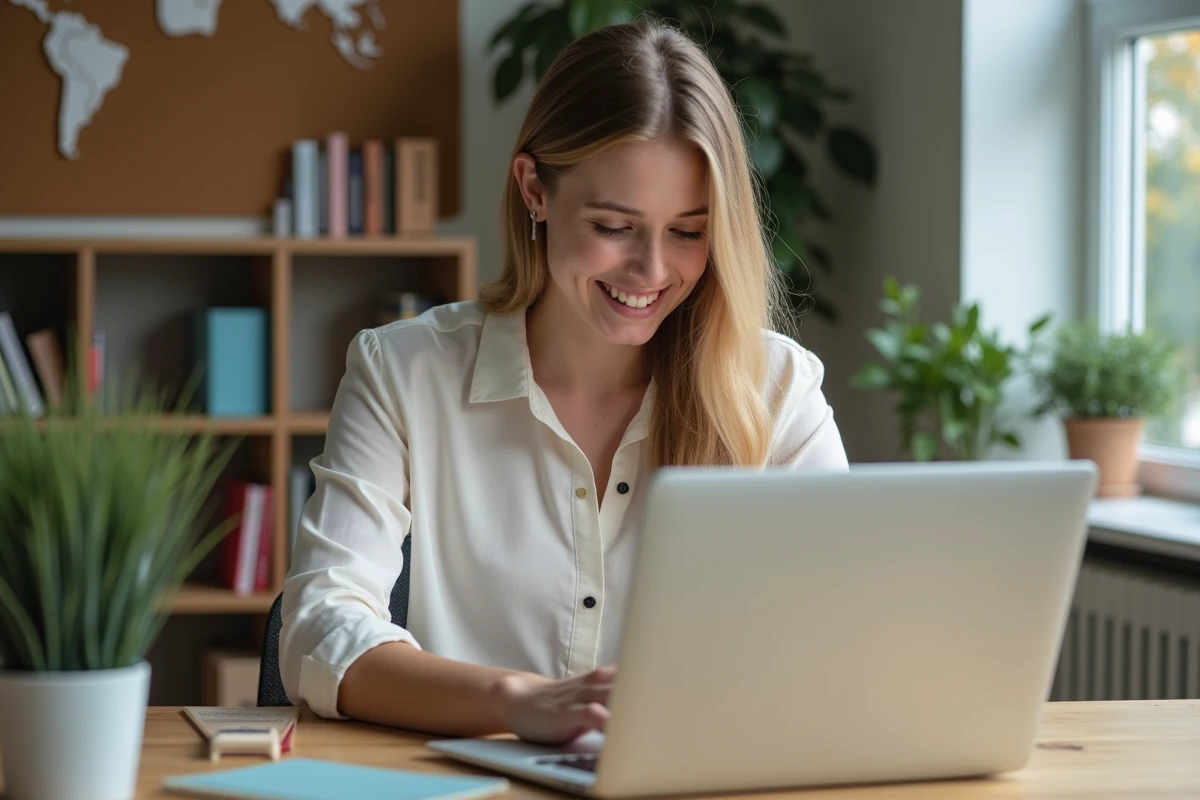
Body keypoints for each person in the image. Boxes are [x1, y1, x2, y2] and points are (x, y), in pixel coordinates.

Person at [280, 18, 848, 746]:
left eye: (687, 231)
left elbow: (842, 627)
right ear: (534, 189)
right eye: (615, 226)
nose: (651, 272)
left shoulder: (776, 389)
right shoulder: (404, 371)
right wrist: (519, 702)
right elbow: (319, 631)